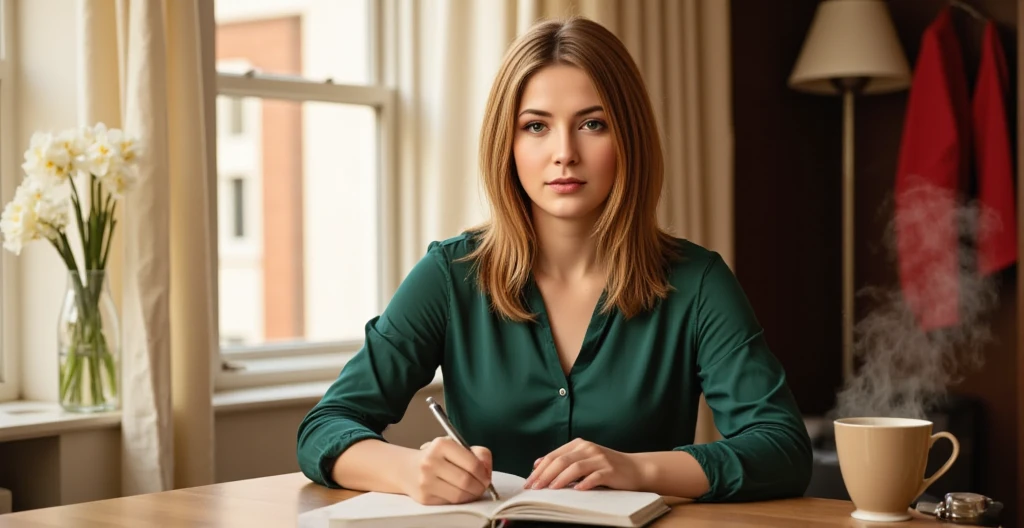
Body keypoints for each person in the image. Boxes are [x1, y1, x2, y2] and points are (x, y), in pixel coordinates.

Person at [297, 16, 812, 506]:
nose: (564, 152)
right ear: (508, 142)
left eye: (592, 123)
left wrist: (636, 470)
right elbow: (327, 426)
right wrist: (409, 473)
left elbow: (782, 449)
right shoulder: (450, 275)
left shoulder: (697, 283)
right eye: (536, 126)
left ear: (628, 137)